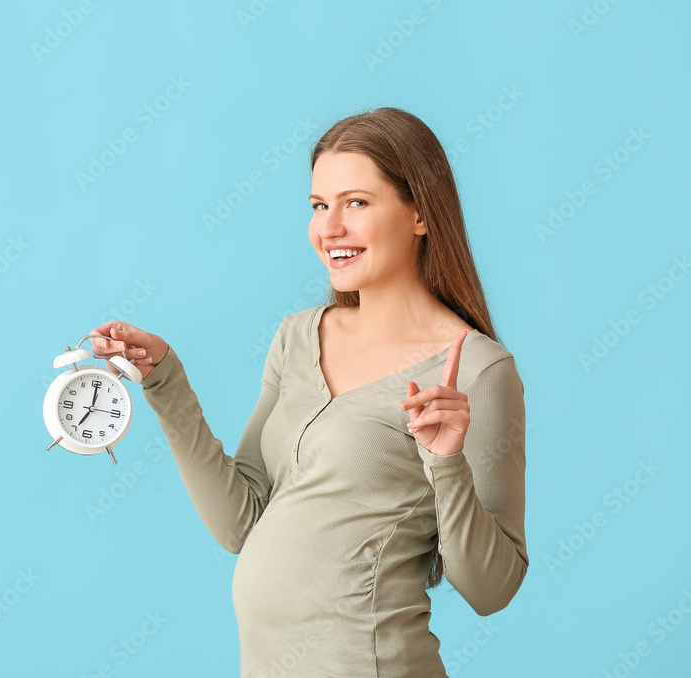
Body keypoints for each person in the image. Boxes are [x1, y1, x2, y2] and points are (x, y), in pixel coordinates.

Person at [88, 107, 528, 677]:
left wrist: (446, 465)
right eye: (320, 206)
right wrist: (165, 380)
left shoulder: (477, 371)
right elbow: (241, 522)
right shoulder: (298, 336)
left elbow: (492, 590)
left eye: (357, 203)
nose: (330, 229)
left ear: (420, 212)